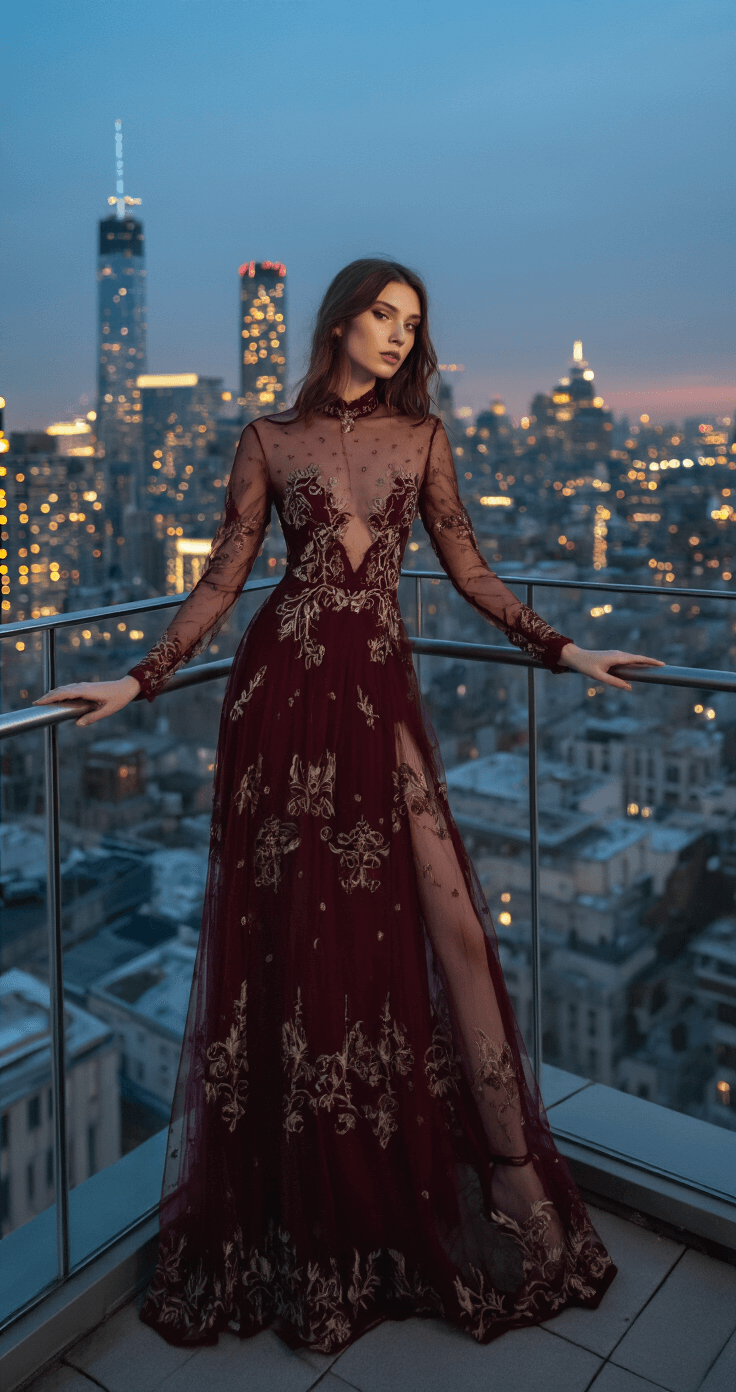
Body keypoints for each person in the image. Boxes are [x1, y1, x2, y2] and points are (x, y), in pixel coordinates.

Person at [37, 258, 663, 1353]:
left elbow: (468, 569)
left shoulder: (422, 441)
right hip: (280, 700)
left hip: (377, 699)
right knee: (298, 948)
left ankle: (512, 1177)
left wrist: (568, 651)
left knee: (457, 931)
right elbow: (226, 576)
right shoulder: (266, 439)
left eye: (411, 322)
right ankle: (311, 1193)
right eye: (381, 313)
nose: (395, 334)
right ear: (338, 320)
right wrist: (138, 676)